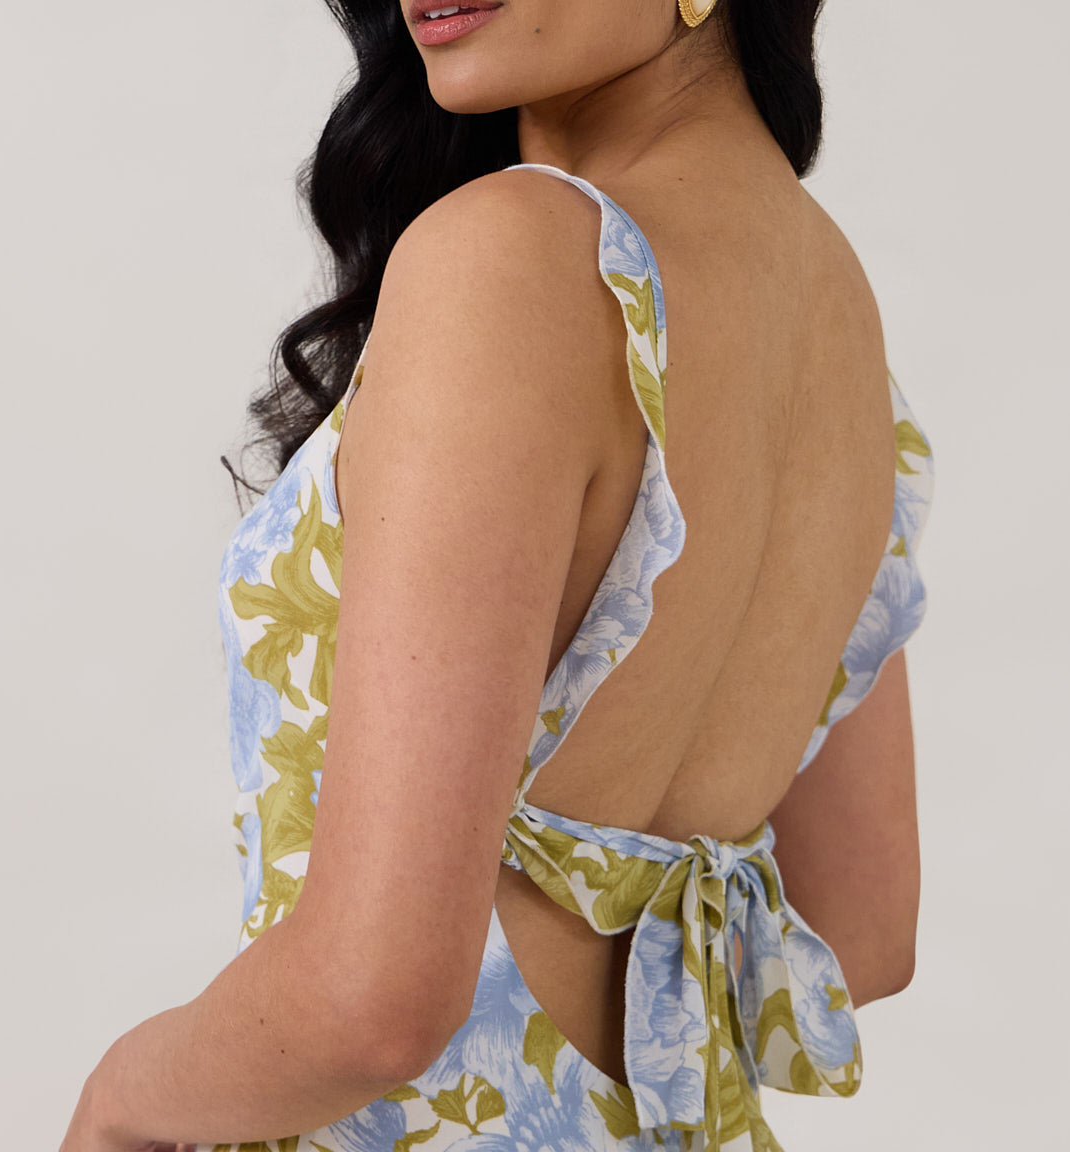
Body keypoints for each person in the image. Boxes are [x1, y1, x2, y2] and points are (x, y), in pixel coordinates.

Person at [60, 2, 936, 1150]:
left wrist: (118, 1099)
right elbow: (862, 930)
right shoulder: (836, 310)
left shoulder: (517, 255)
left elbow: (369, 1007)